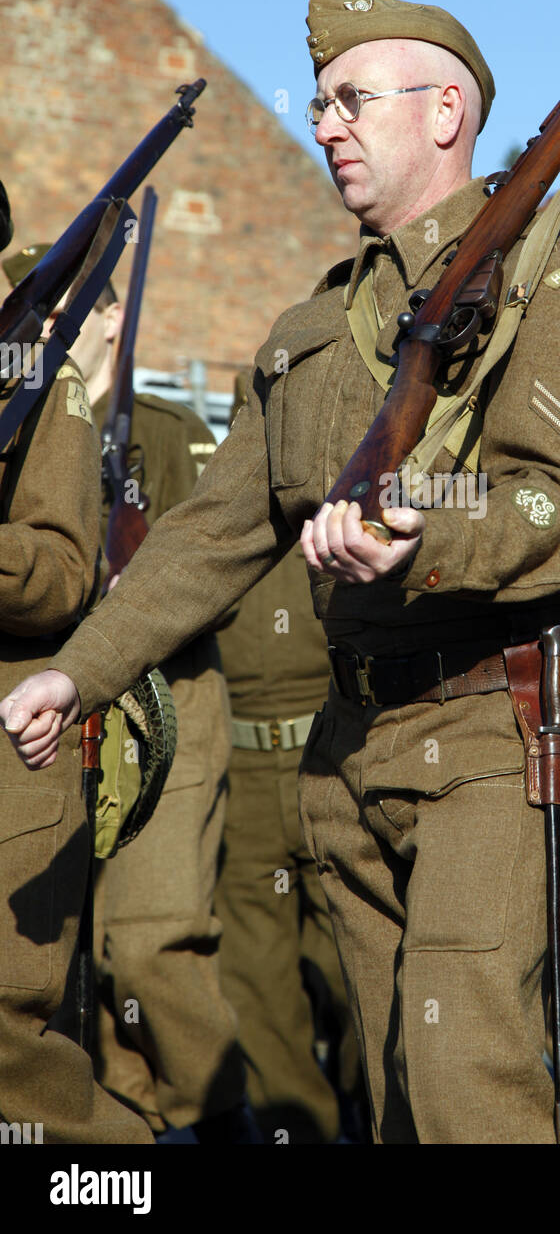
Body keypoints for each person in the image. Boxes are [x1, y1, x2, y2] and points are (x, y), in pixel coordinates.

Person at [0, 0, 560, 1143]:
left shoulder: (554, 284)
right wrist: (77, 674)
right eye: (320, 103)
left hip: (500, 730)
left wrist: (421, 533)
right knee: (392, 1099)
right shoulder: (304, 333)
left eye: (351, 100)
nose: (323, 123)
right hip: (349, 761)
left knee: (463, 1080)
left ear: (446, 112)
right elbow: (209, 534)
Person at [2, 248, 251, 1142]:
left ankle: (220, 1123)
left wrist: (127, 592)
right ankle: (120, 1142)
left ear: (109, 316)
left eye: (73, 303)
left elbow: (219, 565)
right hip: (49, 718)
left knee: (149, 945)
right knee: (50, 962)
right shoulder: (17, 421)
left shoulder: (171, 427)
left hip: (160, 709)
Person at [0, 235, 151, 1141]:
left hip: (13, 744)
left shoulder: (36, 379)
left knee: (9, 1049)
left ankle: (116, 1176)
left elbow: (60, 570)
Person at [215, 376, 363, 1143]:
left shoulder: (364, 473)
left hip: (331, 750)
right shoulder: (223, 484)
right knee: (257, 980)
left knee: (354, 964)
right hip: (239, 764)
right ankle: (295, 1133)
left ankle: (373, 1111)